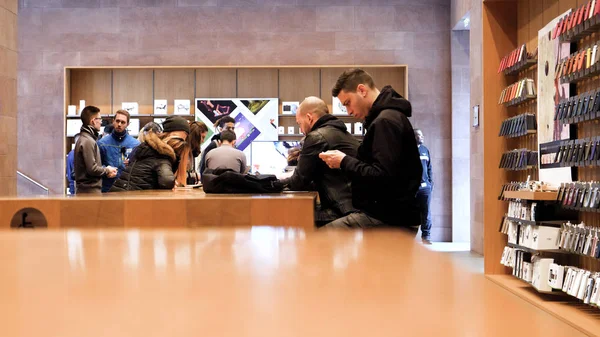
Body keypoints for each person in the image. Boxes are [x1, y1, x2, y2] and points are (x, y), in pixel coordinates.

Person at [318, 68, 422, 229]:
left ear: (362, 90)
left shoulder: (385, 121)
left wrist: (344, 161)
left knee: (320, 242)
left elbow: (382, 175)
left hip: (390, 218)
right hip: (389, 214)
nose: (349, 111)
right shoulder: (386, 118)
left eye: (347, 103)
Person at [278, 96, 359, 227]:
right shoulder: (341, 133)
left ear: (309, 118)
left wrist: (273, 184)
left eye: (299, 123)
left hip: (343, 210)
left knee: (289, 218)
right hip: (353, 205)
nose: (301, 130)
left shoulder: (316, 137)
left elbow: (298, 182)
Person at [109, 116, 191, 192]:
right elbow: (167, 181)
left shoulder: (148, 147)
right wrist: (172, 184)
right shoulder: (162, 154)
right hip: (130, 197)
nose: (184, 139)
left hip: (123, 193)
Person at [74, 106, 117, 194]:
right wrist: (107, 170)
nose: (101, 122)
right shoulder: (87, 141)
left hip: (88, 191)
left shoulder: (86, 139)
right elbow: (92, 169)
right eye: (100, 119)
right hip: (89, 192)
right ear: (93, 121)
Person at [97, 110, 140, 192]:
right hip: (107, 188)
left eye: (123, 122)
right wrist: (106, 170)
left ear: (128, 124)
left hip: (127, 188)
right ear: (113, 121)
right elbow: (96, 165)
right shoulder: (102, 143)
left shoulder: (135, 144)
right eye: (117, 121)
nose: (119, 124)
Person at [415, 129, 433, 244]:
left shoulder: (425, 150)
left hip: (425, 188)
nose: (422, 137)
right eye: (419, 135)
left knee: (426, 212)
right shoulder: (406, 151)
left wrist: (430, 185)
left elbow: (430, 169)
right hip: (411, 189)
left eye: (422, 134)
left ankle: (426, 236)